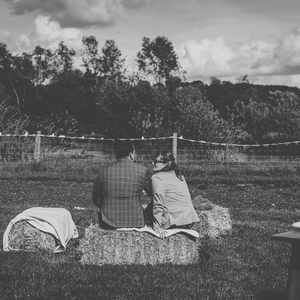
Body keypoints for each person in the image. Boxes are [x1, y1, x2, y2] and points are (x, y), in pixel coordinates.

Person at [92, 140, 151, 229]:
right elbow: (153, 193)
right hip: (135, 221)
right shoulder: (142, 170)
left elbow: (96, 198)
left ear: (116, 154)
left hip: (108, 222)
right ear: (131, 154)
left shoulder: (103, 172)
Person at [151, 151, 199, 230]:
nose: (153, 163)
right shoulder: (180, 176)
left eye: (156, 161)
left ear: (166, 163)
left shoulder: (157, 178)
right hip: (188, 219)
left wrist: (157, 226)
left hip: (172, 221)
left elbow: (158, 203)